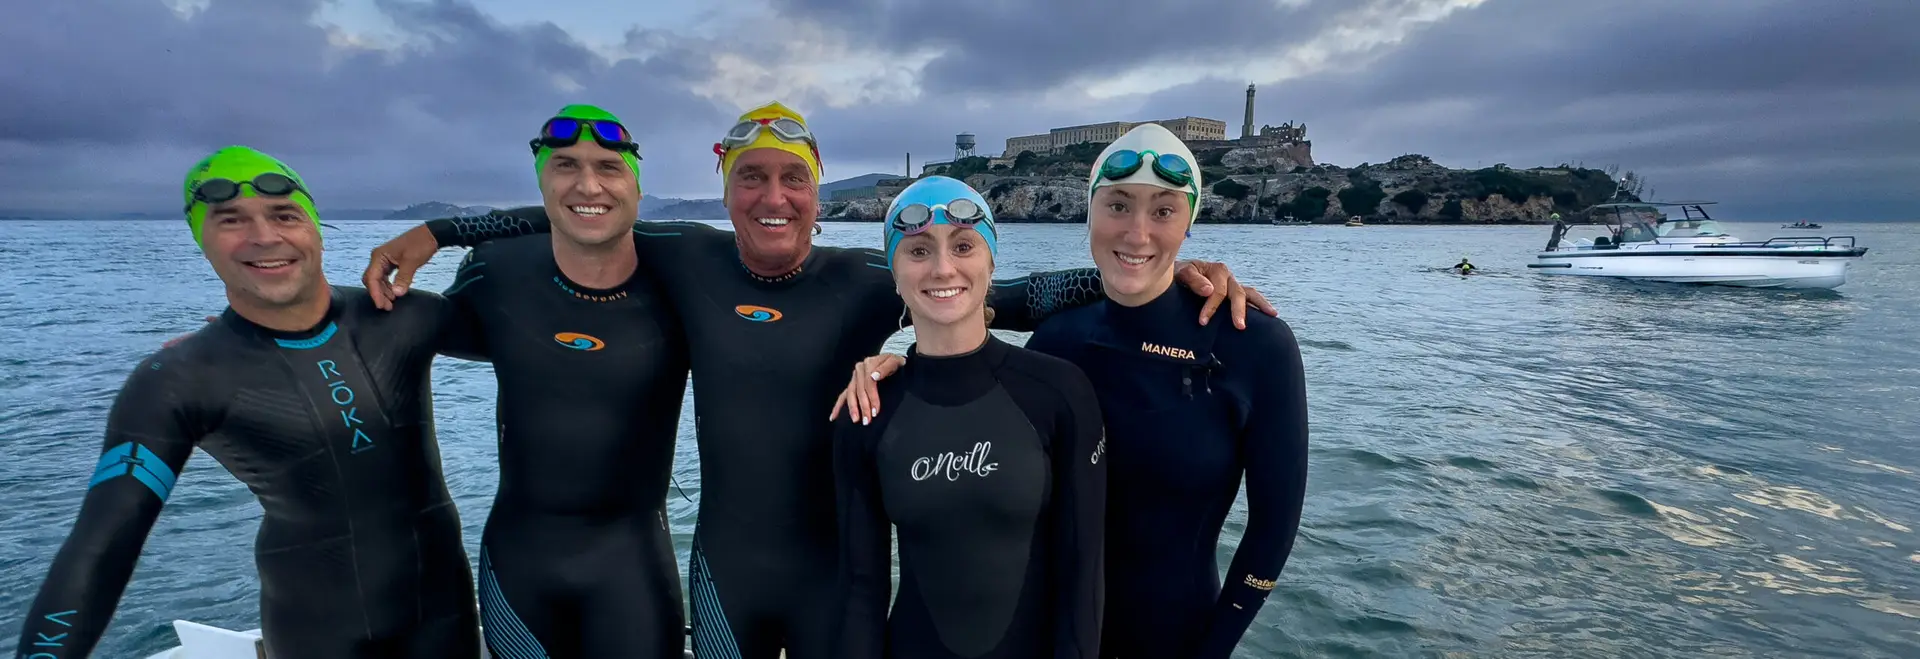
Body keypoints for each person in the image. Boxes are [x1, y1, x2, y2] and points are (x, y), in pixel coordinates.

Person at [359, 102, 1274, 659]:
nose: (770, 196)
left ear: (819, 193)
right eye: (749, 176)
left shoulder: (866, 281)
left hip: (839, 577)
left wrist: (1175, 277)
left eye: (791, 179)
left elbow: (1007, 289)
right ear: (722, 190)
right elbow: (583, 211)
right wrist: (445, 233)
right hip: (726, 571)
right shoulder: (685, 259)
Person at [838, 124, 1309, 659]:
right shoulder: (1059, 339)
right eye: (1117, 205)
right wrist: (901, 366)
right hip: (1042, 635)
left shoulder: (1254, 345)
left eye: (1163, 210)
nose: (1137, 232)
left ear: (1190, 221)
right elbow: (969, 299)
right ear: (1089, 211)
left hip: (1176, 638)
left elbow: (1272, 535)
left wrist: (1213, 650)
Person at [14, 147, 484, 659]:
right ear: (201, 240)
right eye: (230, 220)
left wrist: (442, 231)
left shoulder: (402, 317)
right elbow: (100, 550)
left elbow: (562, 282)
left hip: (448, 622)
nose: (263, 237)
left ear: (315, 228)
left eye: (284, 215)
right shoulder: (178, 380)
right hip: (319, 635)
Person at [446, 104, 692, 658]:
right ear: (541, 179)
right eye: (565, 165)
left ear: (635, 184)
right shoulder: (497, 271)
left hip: (633, 564)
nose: (588, 184)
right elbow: (398, 331)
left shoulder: (679, 278)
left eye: (608, 166)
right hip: (520, 565)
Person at [834, 177, 1106, 659]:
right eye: (918, 251)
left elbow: (1082, 573)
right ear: (894, 273)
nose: (943, 268)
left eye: (963, 246)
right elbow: (861, 589)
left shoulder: (1059, 392)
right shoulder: (869, 410)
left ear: (991, 261)